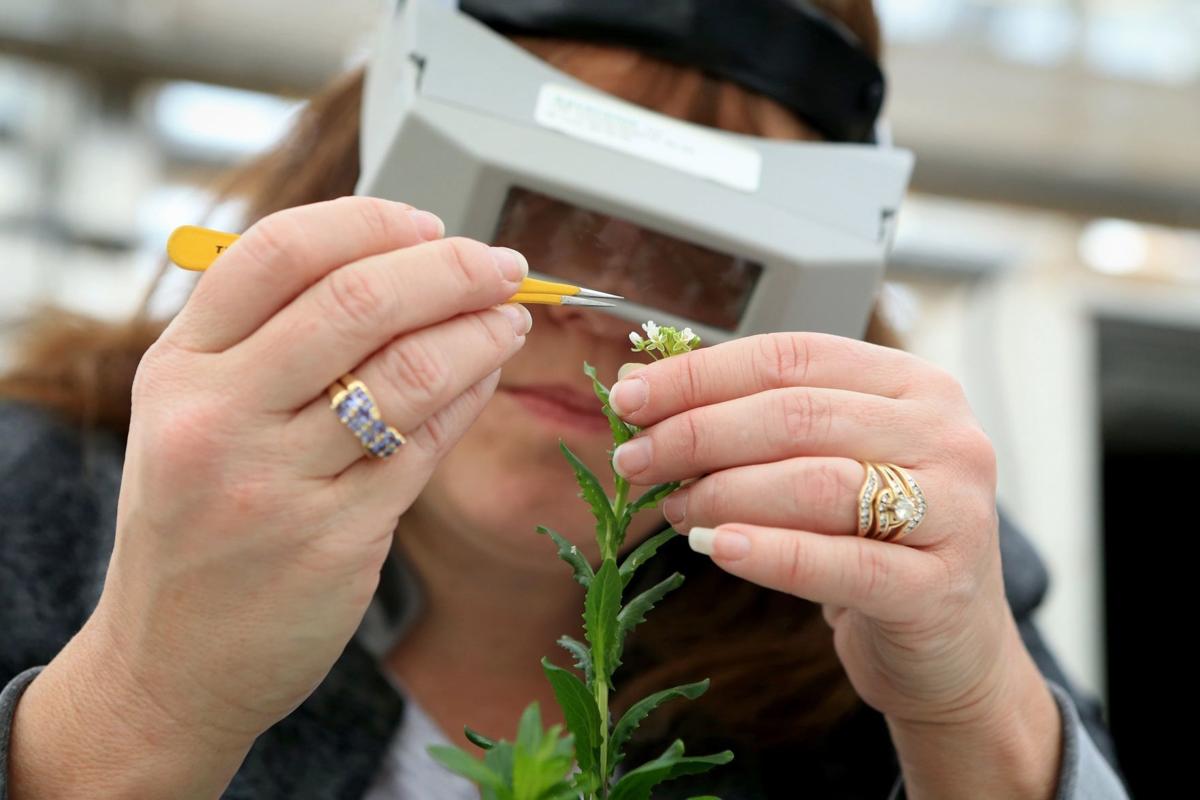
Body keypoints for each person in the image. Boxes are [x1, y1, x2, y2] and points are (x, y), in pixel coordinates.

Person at [0, 1, 1128, 797]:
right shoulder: (34, 503)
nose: (602, 310)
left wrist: (976, 718)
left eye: (699, 261)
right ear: (359, 189)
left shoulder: (891, 579)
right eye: (537, 215)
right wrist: (144, 706)